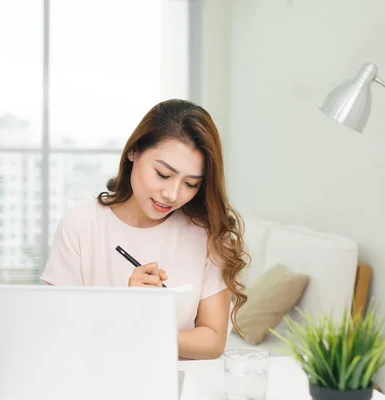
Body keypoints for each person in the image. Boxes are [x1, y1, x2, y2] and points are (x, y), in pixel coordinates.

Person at [41, 99, 248, 360]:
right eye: (163, 174)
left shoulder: (208, 234)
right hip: (95, 377)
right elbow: (59, 328)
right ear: (134, 152)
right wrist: (129, 310)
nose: (171, 195)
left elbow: (212, 341)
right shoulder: (81, 225)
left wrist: (146, 327)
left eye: (191, 183)